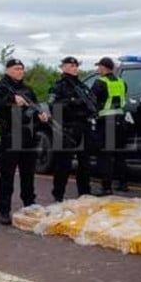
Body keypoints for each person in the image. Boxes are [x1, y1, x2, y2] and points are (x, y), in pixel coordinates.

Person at [0, 58, 50, 224]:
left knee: (28, 174)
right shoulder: (0, 88)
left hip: (28, 136)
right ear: (8, 70)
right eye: (16, 68)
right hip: (10, 137)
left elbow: (35, 106)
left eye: (21, 68)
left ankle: (29, 204)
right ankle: (4, 210)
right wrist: (10, 100)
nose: (20, 71)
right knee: (7, 175)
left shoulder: (27, 89)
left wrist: (41, 115)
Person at [47, 55, 98, 202]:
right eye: (71, 66)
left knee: (85, 163)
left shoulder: (82, 86)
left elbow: (93, 101)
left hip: (84, 127)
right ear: (63, 67)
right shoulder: (59, 86)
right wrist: (72, 102)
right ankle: (58, 195)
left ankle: (84, 193)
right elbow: (53, 105)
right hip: (67, 128)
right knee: (63, 164)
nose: (74, 68)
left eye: (76, 66)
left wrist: (86, 105)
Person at [90, 57, 129, 195]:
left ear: (103, 68)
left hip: (106, 122)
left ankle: (106, 187)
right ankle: (123, 184)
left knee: (104, 155)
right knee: (119, 154)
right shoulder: (122, 82)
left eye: (99, 67)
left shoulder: (100, 82)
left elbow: (91, 101)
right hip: (121, 121)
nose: (98, 69)